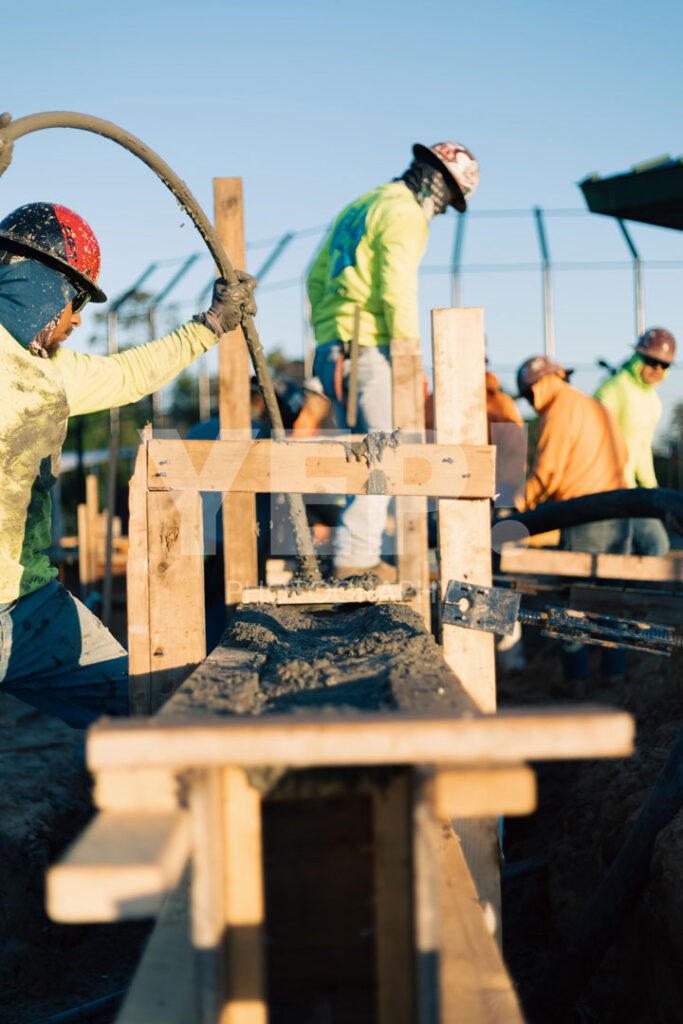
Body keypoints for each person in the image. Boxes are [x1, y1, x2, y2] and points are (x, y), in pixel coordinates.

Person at [0, 201, 256, 727]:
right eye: (73, 300)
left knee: (147, 709)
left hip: (30, 608)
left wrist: (209, 326)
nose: (76, 320)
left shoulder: (56, 373)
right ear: (40, 283)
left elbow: (129, 374)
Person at [308, 141, 479, 580]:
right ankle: (356, 556)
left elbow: (314, 277)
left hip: (334, 347)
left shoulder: (365, 203)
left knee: (368, 451)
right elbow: (396, 289)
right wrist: (409, 357)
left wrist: (331, 335)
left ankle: (360, 550)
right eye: (448, 201)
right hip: (369, 347)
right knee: (389, 449)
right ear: (440, 185)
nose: (441, 212)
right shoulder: (405, 214)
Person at [516, 354, 629, 681]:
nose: (530, 402)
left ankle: (575, 682)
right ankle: (614, 677)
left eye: (527, 394)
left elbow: (548, 470)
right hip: (619, 511)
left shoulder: (561, 409)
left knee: (572, 602)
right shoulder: (594, 405)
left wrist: (522, 504)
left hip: (582, 516)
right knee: (612, 601)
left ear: (538, 386)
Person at [594, 328, 676, 556]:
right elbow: (593, 441)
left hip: (630, 490)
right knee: (619, 551)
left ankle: (627, 593)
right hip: (606, 488)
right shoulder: (613, 389)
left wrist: (653, 492)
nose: (657, 369)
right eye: (651, 361)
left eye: (664, 364)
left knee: (654, 546)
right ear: (638, 357)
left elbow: (642, 449)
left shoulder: (653, 401)